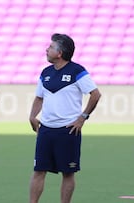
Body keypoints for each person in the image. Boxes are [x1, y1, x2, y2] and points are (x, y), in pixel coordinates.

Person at [28, 33, 101, 203]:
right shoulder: (45, 72)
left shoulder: (77, 71)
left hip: (68, 130)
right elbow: (39, 97)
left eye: (51, 47)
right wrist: (32, 116)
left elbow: (95, 95)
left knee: (68, 173)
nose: (47, 49)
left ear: (60, 53)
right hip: (45, 129)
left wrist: (82, 118)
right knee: (39, 170)